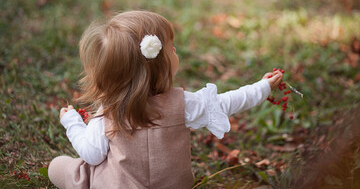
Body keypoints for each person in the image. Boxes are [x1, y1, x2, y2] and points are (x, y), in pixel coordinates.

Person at [48, 11, 283, 189]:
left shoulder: (108, 113)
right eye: (172, 49)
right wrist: (261, 87)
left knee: (64, 167)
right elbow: (227, 102)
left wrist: (72, 122)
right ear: (159, 67)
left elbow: (92, 154)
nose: (176, 52)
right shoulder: (183, 104)